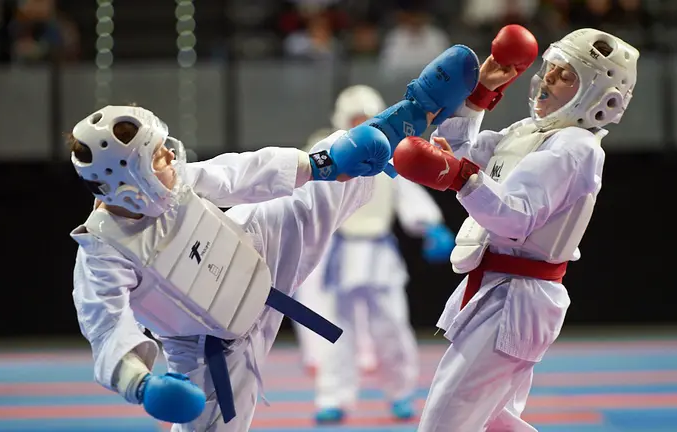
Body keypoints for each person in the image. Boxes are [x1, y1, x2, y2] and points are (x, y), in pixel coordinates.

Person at [68, 43, 482, 432]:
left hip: (256, 253)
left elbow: (239, 173)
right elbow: (105, 330)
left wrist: (320, 164)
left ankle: (416, 111)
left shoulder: (173, 181)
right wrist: (142, 385)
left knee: (331, 173)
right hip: (208, 347)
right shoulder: (103, 254)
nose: (172, 159)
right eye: (158, 157)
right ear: (128, 182)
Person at [392, 26, 639, 431]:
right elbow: (460, 152)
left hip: (517, 297)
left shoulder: (576, 146)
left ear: (596, 95)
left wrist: (460, 177)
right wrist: (479, 97)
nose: (548, 79)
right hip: (502, 289)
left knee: (445, 422)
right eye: (552, 68)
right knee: (493, 422)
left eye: (566, 75)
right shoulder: (528, 133)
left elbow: (517, 217)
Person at [292, 85, 456, 424]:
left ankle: (400, 393)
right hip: (339, 253)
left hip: (379, 253)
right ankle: (334, 396)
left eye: (368, 117)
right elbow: (302, 191)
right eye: (355, 118)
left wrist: (429, 225)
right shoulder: (325, 148)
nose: (362, 123)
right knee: (336, 331)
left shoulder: (391, 151)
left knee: (392, 326)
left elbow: (406, 191)